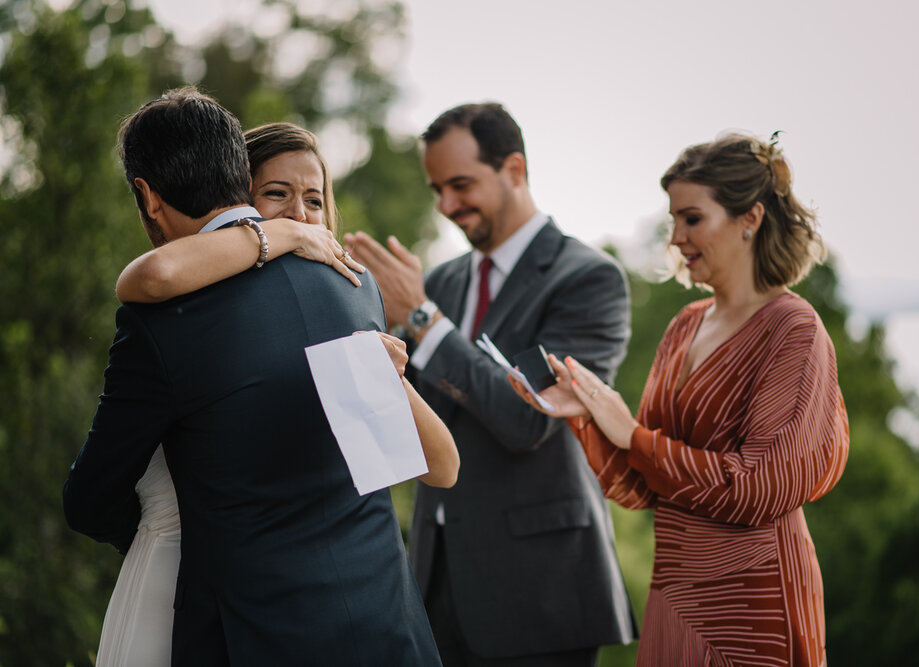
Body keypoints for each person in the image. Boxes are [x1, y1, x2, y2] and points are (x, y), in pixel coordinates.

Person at [63, 88, 445, 665]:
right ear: (240, 177)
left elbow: (90, 499)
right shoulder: (356, 286)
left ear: (147, 195)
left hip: (256, 634)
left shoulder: (162, 317)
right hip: (385, 619)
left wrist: (158, 541)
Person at [510, 132, 850, 666]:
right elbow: (645, 486)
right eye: (673, 220)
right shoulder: (683, 326)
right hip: (675, 595)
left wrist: (633, 435)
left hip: (753, 601)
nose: (676, 237)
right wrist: (584, 416)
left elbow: (760, 488)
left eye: (692, 219)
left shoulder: (794, 329)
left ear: (750, 218)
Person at [345, 102, 636, 666]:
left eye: (460, 184)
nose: (447, 206)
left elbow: (530, 419)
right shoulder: (443, 282)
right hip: (434, 582)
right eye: (437, 190)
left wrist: (424, 321)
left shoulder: (588, 279)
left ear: (515, 171)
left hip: (540, 590)